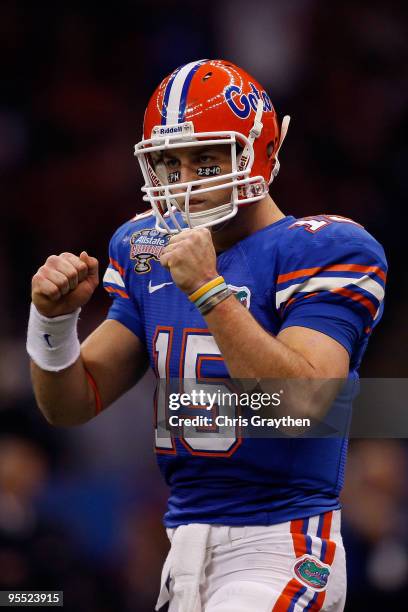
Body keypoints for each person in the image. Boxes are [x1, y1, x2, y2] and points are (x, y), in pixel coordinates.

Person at [27, 59, 387, 611]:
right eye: (170, 163)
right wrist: (52, 323)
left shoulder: (326, 247)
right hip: (182, 547)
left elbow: (307, 403)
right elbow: (73, 403)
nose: (187, 181)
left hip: (282, 543)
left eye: (207, 158)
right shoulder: (144, 246)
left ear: (257, 151)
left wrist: (209, 291)